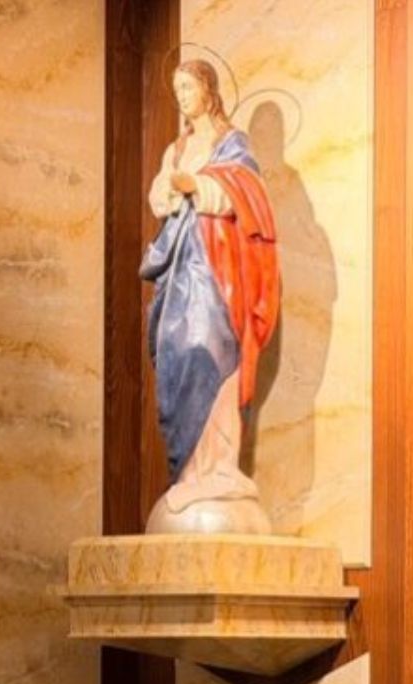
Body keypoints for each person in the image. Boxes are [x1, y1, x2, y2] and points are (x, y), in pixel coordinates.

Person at [140, 57, 281, 533]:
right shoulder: (177, 147)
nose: (182, 97)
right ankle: (190, 472)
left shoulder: (232, 144)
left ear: (208, 89)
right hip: (180, 268)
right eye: (177, 89)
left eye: (188, 87)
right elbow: (159, 199)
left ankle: (219, 468)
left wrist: (197, 184)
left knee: (213, 349)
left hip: (218, 270)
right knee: (178, 353)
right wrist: (171, 186)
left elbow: (249, 199)